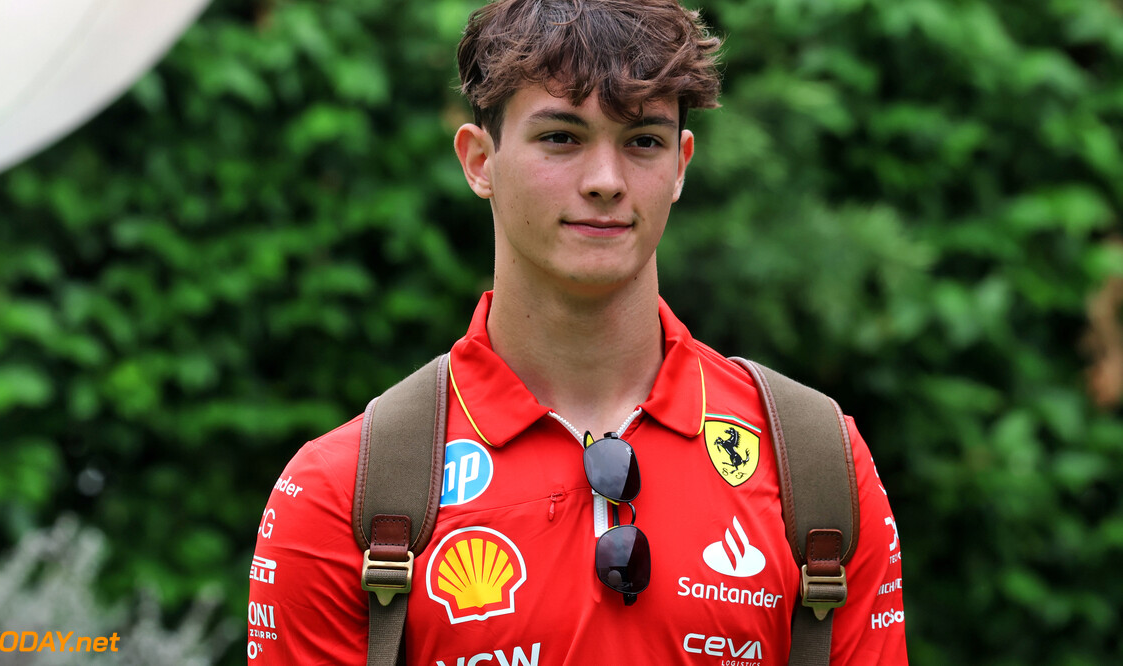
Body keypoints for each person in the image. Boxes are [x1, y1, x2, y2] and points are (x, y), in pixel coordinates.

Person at [248, 0, 908, 663]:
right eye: (561, 137)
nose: (604, 181)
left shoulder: (817, 467)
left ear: (680, 164)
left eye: (642, 140)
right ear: (479, 160)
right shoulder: (342, 492)